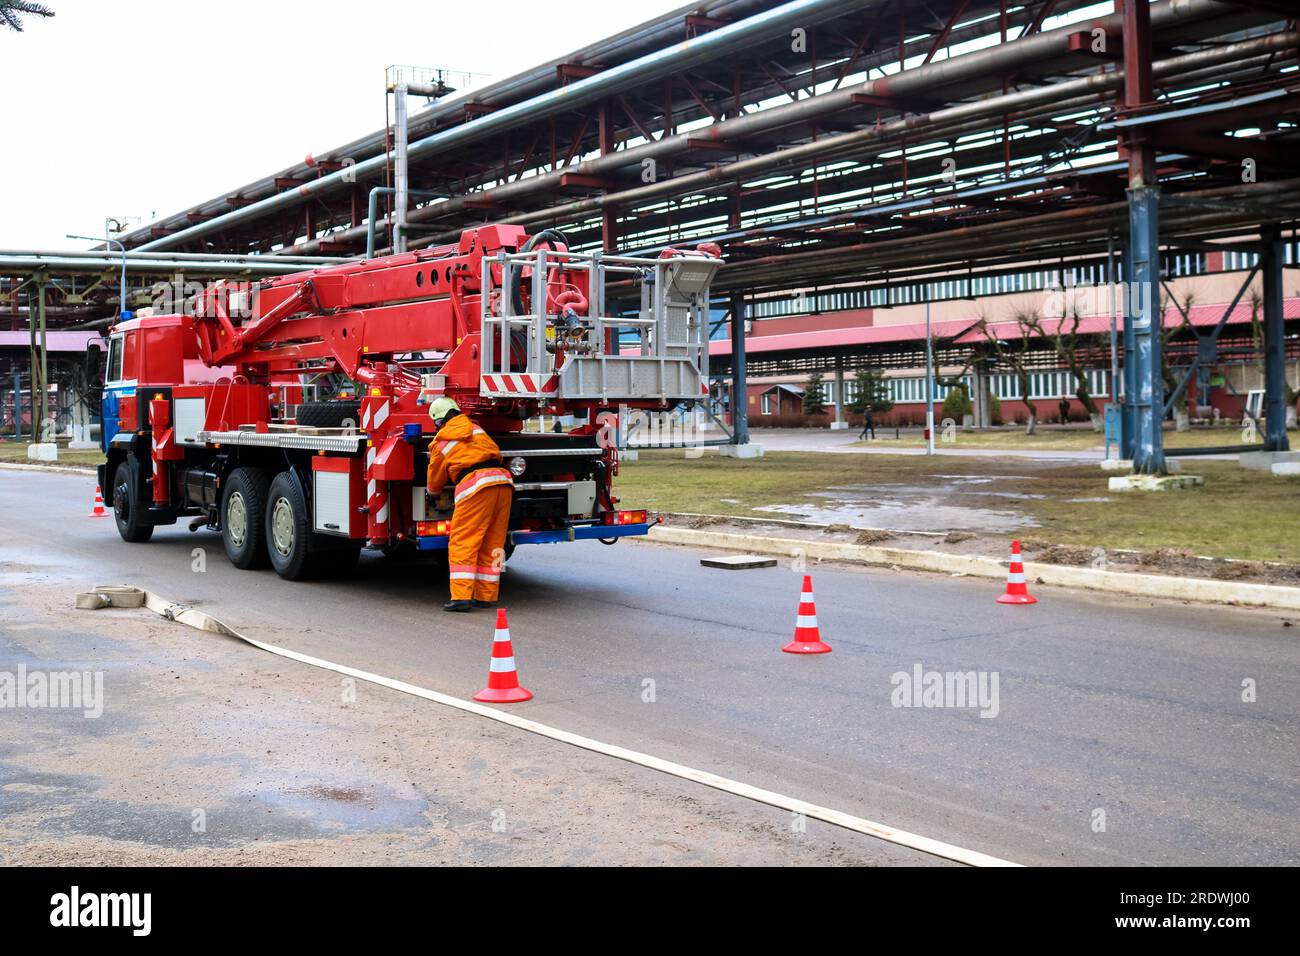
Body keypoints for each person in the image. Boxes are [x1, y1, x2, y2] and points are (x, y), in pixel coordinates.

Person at [425, 397, 514, 612]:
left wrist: (432, 493)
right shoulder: (477, 430)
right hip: (503, 482)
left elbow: (435, 481)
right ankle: (486, 595)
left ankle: (461, 597)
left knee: (463, 542)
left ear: (439, 422)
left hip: (475, 486)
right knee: (494, 542)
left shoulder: (441, 443)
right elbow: (497, 453)